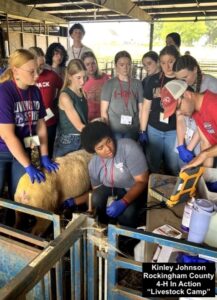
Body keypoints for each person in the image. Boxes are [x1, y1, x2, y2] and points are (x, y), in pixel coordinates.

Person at [0, 49, 58, 200]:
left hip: (25, 148)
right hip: (3, 151)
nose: (37, 75)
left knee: (21, 195)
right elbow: (7, 135)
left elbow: (40, 126)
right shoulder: (4, 92)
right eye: (32, 71)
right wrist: (28, 165)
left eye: (37, 70)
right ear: (16, 71)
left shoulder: (35, 91)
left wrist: (45, 155)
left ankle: (13, 222)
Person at [81, 121, 149, 228]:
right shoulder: (93, 164)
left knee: (127, 214)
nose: (108, 149)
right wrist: (75, 201)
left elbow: (142, 181)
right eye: (100, 147)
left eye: (109, 141)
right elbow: (97, 190)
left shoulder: (129, 147)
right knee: (96, 198)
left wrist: (124, 202)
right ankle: (103, 226)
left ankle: (126, 237)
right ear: (93, 151)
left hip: (134, 188)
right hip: (112, 189)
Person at [139, 45, 180, 175]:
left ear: (177, 60)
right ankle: (153, 193)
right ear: (159, 63)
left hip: (174, 131)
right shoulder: (153, 80)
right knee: (153, 165)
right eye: (163, 63)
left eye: (171, 62)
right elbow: (146, 107)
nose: (167, 66)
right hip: (154, 129)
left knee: (173, 165)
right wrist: (143, 130)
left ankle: (172, 193)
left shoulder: (182, 81)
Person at [161, 79, 217, 170]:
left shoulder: (214, 105)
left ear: (187, 94)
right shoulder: (197, 112)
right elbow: (206, 143)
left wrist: (204, 155)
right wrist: (206, 175)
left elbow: (206, 152)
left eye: (178, 107)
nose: (180, 113)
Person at [173, 55, 217, 165]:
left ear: (195, 69)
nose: (183, 83)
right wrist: (181, 145)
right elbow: (180, 116)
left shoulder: (211, 86)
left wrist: (191, 148)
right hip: (194, 138)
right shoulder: (188, 91)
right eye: (179, 80)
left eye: (185, 77)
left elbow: (208, 125)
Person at [101, 50, 144, 141]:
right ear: (116, 66)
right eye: (121, 65)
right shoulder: (109, 84)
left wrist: (142, 129)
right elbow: (104, 111)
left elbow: (141, 109)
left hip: (133, 129)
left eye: (128, 64)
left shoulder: (138, 84)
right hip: (115, 129)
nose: (125, 67)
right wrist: (106, 130)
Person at [29, 47, 63, 157]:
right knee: (33, 153)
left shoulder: (52, 75)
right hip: (31, 124)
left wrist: (56, 100)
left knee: (47, 152)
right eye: (39, 65)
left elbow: (64, 88)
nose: (42, 68)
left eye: (43, 64)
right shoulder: (27, 78)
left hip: (49, 122)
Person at [53, 59, 88, 158]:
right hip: (70, 141)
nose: (82, 81)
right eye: (78, 77)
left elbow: (84, 120)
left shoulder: (82, 92)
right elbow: (79, 126)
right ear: (69, 76)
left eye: (84, 77)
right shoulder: (65, 96)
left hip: (82, 137)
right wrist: (98, 131)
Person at [81, 51, 109, 121]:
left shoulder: (105, 77)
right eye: (87, 64)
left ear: (96, 63)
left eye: (93, 63)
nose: (91, 67)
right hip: (88, 118)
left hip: (104, 117)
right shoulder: (81, 80)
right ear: (83, 66)